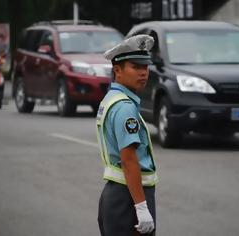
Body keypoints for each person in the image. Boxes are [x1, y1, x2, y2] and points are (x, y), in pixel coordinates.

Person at [96, 34, 158, 236]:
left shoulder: (112, 98)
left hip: (117, 194)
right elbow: (129, 159)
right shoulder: (124, 108)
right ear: (117, 70)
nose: (143, 73)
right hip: (128, 198)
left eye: (145, 67)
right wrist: (141, 208)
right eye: (135, 67)